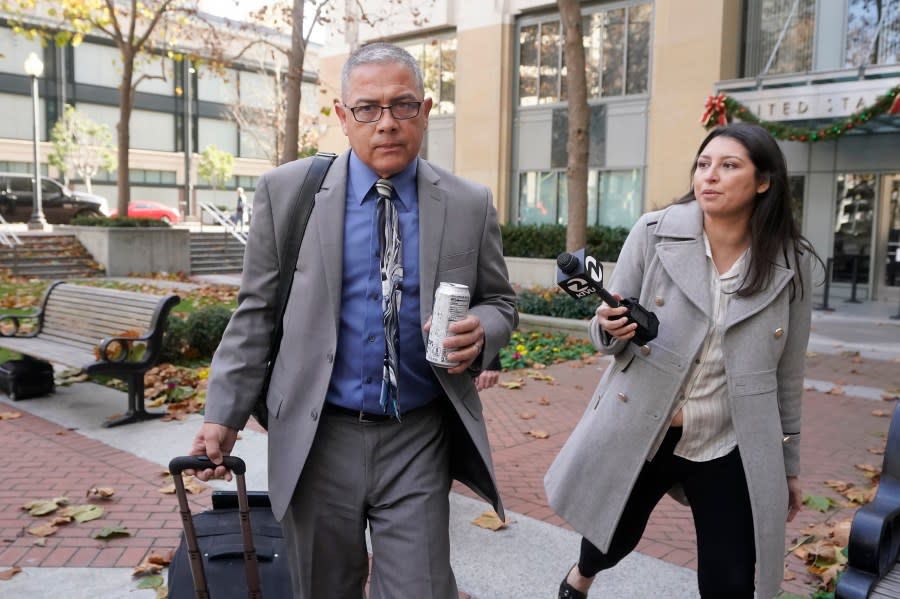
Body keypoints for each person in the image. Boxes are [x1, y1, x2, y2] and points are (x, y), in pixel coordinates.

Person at [187, 42, 517, 599]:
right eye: (367, 108)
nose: (386, 123)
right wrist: (223, 417)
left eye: (402, 105)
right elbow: (256, 314)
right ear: (343, 117)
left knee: (424, 589)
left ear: (426, 110)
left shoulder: (468, 202)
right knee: (324, 588)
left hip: (419, 435)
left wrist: (484, 329)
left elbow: (501, 301)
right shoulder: (289, 192)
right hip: (318, 437)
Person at [545, 122, 820, 599]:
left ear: (763, 181)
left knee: (731, 577)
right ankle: (580, 577)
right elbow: (602, 326)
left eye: (729, 166)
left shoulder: (791, 263)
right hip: (647, 426)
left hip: (728, 438)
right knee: (611, 539)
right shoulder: (654, 233)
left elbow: (788, 372)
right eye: (703, 164)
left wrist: (787, 465)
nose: (709, 176)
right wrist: (609, 328)